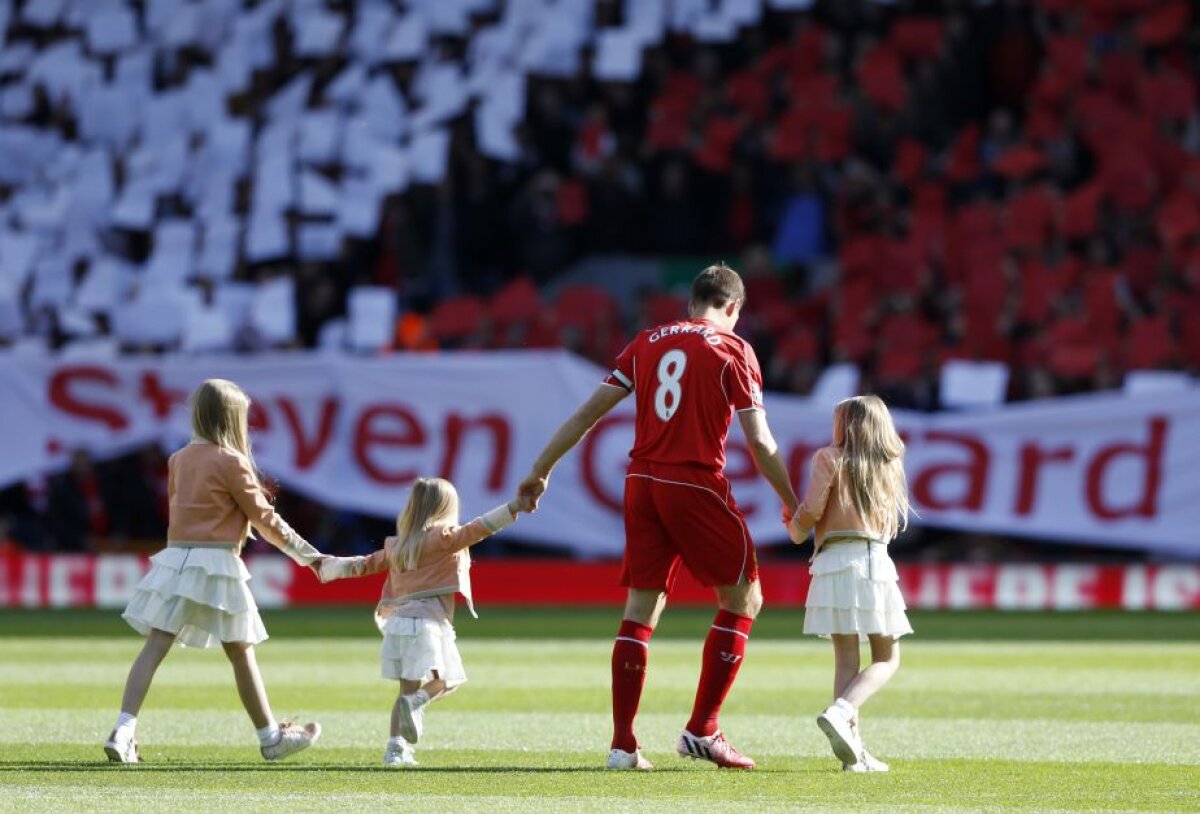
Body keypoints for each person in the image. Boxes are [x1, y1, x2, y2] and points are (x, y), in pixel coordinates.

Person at [518, 263, 799, 771]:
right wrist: (792, 502)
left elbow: (587, 414)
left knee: (640, 608)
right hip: (691, 479)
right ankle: (703, 729)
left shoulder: (647, 341)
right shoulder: (732, 348)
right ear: (733, 307)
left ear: (693, 301)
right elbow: (759, 440)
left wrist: (540, 470)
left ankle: (623, 745)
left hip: (640, 482)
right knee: (745, 595)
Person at [104, 379, 326, 764]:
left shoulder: (178, 459)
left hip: (177, 558)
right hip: (217, 562)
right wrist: (310, 557)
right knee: (241, 652)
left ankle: (124, 729)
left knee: (156, 645)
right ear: (233, 418)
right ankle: (270, 736)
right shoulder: (231, 461)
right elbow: (266, 519)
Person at [315, 477, 527, 767]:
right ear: (446, 508)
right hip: (429, 623)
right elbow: (481, 528)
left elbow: (362, 564)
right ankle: (416, 704)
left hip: (398, 625)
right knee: (448, 680)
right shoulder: (444, 538)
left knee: (406, 690)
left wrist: (325, 566)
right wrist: (513, 507)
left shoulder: (397, 546)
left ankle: (395, 750)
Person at [788, 395, 913, 773]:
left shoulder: (828, 457)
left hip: (830, 561)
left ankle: (853, 752)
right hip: (871, 559)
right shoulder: (888, 463)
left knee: (846, 657)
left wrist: (794, 529)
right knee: (887, 657)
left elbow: (810, 511)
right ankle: (843, 713)